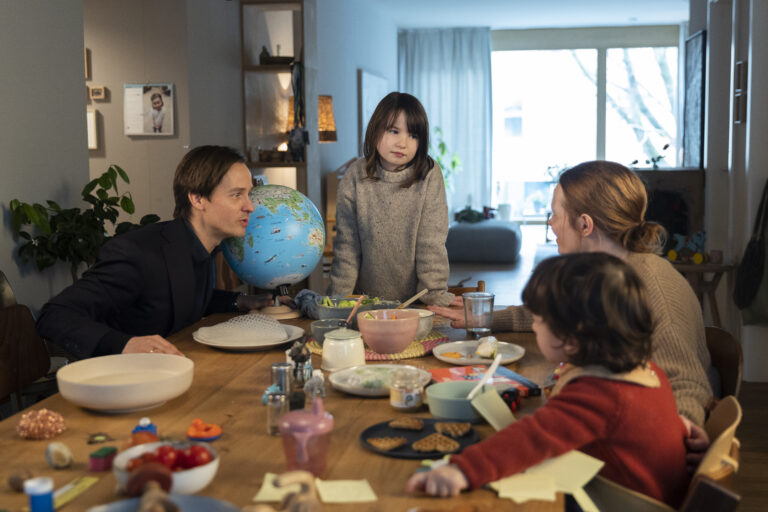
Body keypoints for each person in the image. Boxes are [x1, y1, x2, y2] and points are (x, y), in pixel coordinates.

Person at [429, 161, 713, 426]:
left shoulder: (652, 285)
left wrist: (684, 429)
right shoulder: (603, 272)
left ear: (585, 225)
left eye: (555, 214)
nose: (551, 224)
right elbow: (556, 312)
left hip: (639, 444)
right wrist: (485, 318)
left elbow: (689, 385)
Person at [408, 253, 691, 507]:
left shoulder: (601, 394)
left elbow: (533, 438)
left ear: (569, 337)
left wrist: (463, 469)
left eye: (539, 319)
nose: (533, 325)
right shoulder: (647, 371)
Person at [36, 145, 292, 359]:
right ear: (198, 199)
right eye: (237, 195)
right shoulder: (137, 253)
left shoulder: (200, 246)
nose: (250, 206)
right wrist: (124, 344)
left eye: (249, 194)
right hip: (124, 382)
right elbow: (55, 314)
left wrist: (239, 301)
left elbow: (177, 295)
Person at [328, 92, 453, 306]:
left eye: (413, 135)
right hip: (364, 305)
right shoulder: (355, 175)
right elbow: (347, 247)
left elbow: (431, 243)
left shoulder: (429, 173)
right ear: (375, 128)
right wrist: (338, 302)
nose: (403, 143)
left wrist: (434, 296)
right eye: (394, 131)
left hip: (416, 305)